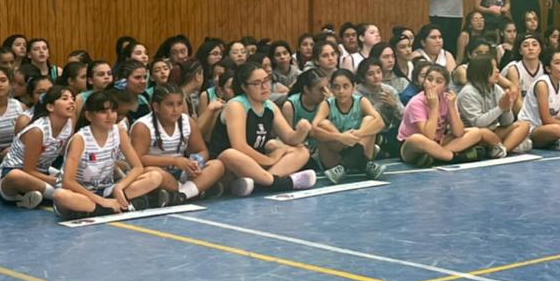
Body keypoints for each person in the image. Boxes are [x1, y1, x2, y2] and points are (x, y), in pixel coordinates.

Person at [52, 91, 168, 219]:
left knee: (155, 176)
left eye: (113, 111)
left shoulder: (119, 131)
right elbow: (68, 182)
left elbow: (137, 167)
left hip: (106, 190)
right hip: (81, 193)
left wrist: (119, 187)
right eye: (103, 112)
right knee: (60, 196)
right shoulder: (80, 139)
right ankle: (114, 207)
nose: (110, 116)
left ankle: (100, 209)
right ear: (89, 116)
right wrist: (101, 201)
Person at [207, 64, 318, 197]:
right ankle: (284, 183)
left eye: (266, 80)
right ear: (244, 87)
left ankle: (259, 183)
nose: (264, 86)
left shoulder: (270, 106)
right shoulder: (236, 105)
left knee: (302, 151)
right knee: (230, 154)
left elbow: (289, 138)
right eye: (257, 83)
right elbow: (239, 146)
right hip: (230, 165)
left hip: (256, 164)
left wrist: (301, 131)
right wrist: (269, 160)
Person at [130, 84, 226, 201]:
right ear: (156, 107)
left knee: (217, 165)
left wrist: (196, 162)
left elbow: (201, 150)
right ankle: (195, 190)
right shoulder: (143, 126)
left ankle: (181, 195)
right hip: (157, 172)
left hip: (182, 172)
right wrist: (174, 161)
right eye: (170, 104)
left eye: (179, 104)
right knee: (155, 174)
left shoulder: (187, 122)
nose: (175, 110)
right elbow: (138, 160)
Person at [398, 64, 503, 168]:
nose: (433, 84)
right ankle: (453, 157)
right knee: (417, 139)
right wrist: (434, 107)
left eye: (438, 82)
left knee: (475, 132)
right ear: (424, 82)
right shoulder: (416, 103)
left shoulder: (447, 99)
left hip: (439, 143)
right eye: (429, 79)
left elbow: (458, 132)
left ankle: (436, 156)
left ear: (445, 87)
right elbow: (428, 136)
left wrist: (452, 107)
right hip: (414, 148)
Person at [0, 85, 75, 209]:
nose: (71, 101)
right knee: (15, 175)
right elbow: (28, 171)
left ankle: (32, 196)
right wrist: (59, 181)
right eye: (65, 98)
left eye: (72, 98)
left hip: (42, 172)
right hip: (14, 175)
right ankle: (61, 196)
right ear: (50, 107)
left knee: (73, 176)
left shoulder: (68, 124)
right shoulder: (37, 131)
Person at [309, 69, 386, 184]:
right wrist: (340, 137)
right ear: (331, 89)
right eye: (336, 87)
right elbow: (313, 130)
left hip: (356, 147)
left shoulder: (361, 101)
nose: (341, 91)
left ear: (353, 87)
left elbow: (380, 123)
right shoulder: (327, 104)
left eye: (345, 86)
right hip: (334, 158)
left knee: (370, 120)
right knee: (323, 124)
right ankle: (365, 164)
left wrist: (359, 133)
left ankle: (344, 167)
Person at [457, 56, 532, 155]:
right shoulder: (468, 93)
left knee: (524, 125)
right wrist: (500, 108)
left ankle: (502, 150)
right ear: (482, 71)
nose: (498, 71)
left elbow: (506, 122)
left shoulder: (496, 89)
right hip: (473, 135)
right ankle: (502, 146)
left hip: (493, 131)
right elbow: (478, 123)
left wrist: (507, 109)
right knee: (484, 132)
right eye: (494, 68)